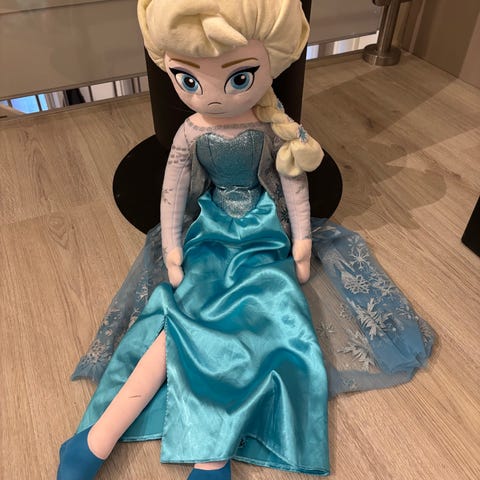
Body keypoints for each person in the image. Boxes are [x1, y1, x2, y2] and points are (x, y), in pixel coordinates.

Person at [58, 1, 434, 479]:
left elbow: (294, 186)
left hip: (262, 234)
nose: (212, 98)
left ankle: (201, 456)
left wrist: (301, 243)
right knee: (186, 317)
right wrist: (172, 247)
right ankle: (99, 439)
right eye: (188, 80)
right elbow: (172, 192)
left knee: (261, 321)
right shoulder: (190, 132)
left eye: (238, 77)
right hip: (211, 230)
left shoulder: (273, 128)